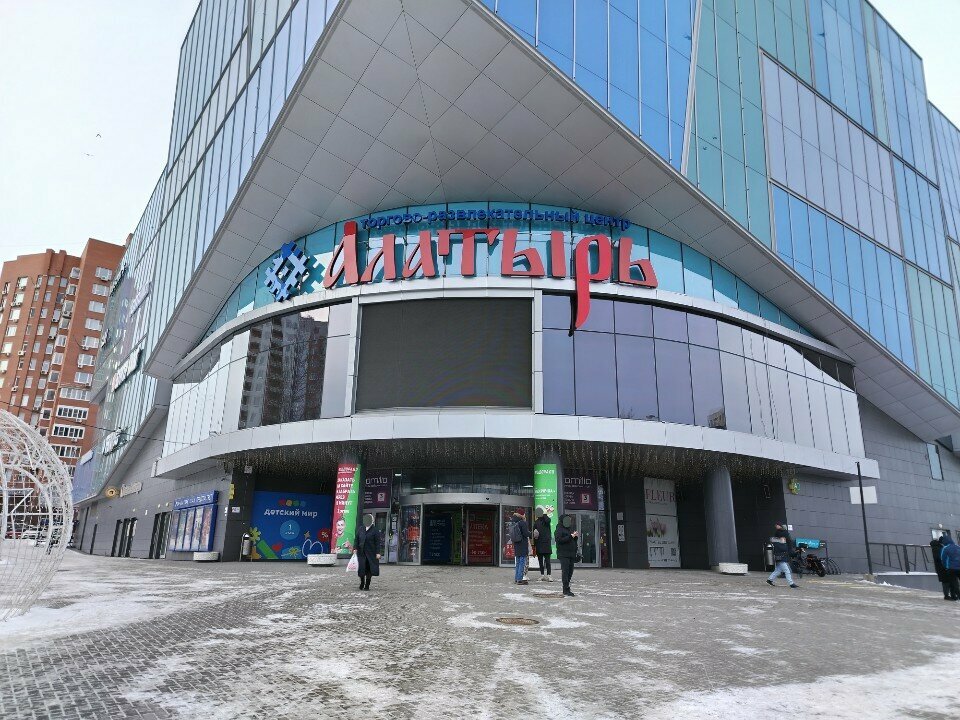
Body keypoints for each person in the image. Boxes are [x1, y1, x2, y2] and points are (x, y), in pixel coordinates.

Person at [354, 514, 381, 591]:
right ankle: (362, 582)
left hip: (371, 553)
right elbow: (357, 539)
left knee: (369, 569)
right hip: (361, 553)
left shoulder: (375, 530)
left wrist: (378, 553)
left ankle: (367, 585)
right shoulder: (361, 529)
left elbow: (377, 542)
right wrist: (355, 548)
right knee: (361, 569)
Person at [554, 514, 579, 597]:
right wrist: (571, 536)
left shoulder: (570, 529)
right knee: (565, 571)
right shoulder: (559, 529)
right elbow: (559, 540)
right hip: (563, 554)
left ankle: (567, 587)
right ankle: (565, 589)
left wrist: (575, 536)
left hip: (571, 554)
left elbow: (572, 540)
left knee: (570, 572)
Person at [931, 536, 957, 601]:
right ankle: (946, 596)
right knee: (945, 582)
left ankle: (952, 595)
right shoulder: (937, 548)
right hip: (942, 568)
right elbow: (939, 558)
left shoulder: (940, 547)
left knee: (950, 581)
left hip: (945, 567)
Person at [509, 509, 531, 585]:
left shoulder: (513, 522)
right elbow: (526, 533)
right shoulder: (522, 522)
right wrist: (531, 533)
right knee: (522, 562)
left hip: (516, 544)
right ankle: (519, 579)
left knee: (518, 562)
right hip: (522, 544)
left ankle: (516, 578)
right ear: (522, 515)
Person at [533, 506, 553, 582]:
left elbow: (548, 520)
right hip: (539, 544)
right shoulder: (536, 522)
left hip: (546, 544)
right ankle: (542, 575)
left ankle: (549, 575)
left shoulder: (546, 520)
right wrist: (534, 545)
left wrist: (544, 514)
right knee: (540, 561)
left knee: (547, 561)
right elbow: (534, 534)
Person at [939, 535, 960, 601]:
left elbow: (943, 559)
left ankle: (958, 595)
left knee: (954, 583)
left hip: (951, 568)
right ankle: (954, 596)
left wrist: (946, 566)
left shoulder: (945, 548)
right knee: (955, 583)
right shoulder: (958, 547)